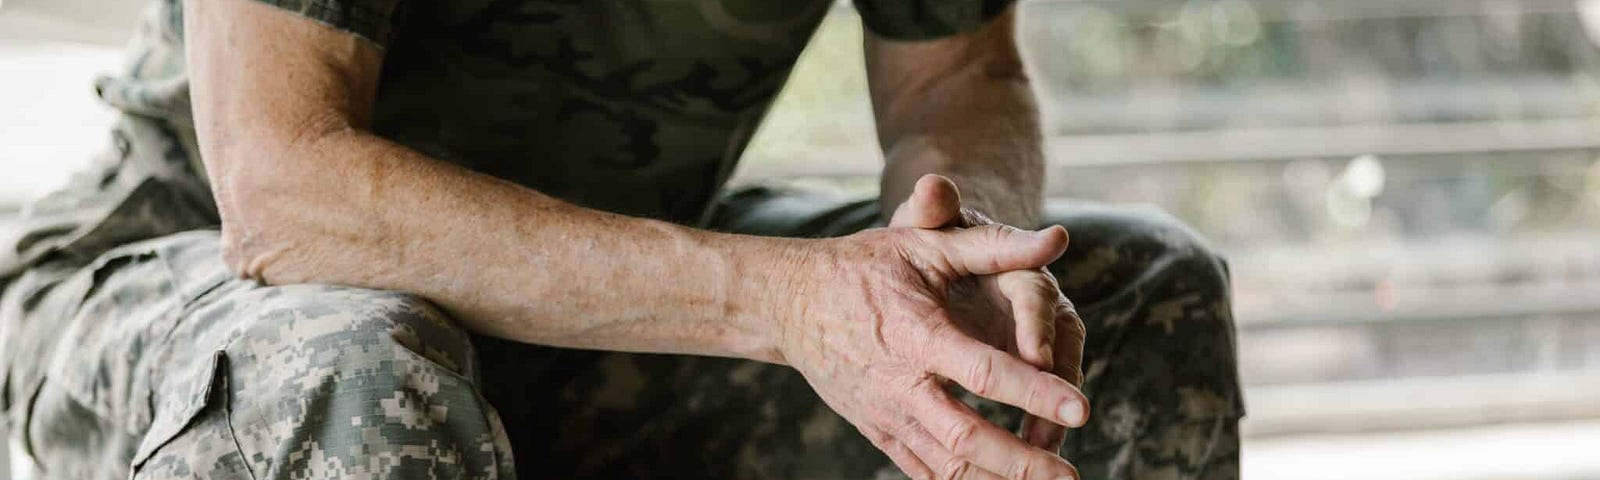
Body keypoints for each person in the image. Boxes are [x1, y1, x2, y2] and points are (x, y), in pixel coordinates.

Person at [0, 0, 1243, 478]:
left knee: (1129, 296)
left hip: (617, 293)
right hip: (190, 276)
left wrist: (953, 240)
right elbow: (286, 191)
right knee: (357, 363)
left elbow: (956, 73)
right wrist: (788, 307)